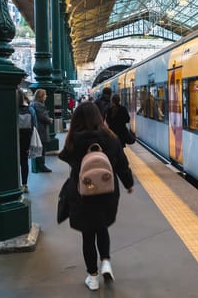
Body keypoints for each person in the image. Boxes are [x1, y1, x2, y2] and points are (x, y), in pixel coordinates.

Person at [58, 101, 134, 291]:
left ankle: (92, 277)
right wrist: (129, 184)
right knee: (102, 227)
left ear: (76, 119)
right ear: (99, 117)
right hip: (107, 193)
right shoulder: (111, 138)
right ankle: (106, 261)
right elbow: (122, 165)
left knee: (88, 235)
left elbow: (64, 156)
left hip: (82, 193)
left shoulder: (73, 140)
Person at [31, 89, 54, 172]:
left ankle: (39, 165)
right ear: (40, 96)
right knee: (42, 148)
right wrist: (49, 120)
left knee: (39, 147)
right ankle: (42, 165)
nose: (46, 96)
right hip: (41, 129)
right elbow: (42, 117)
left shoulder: (33, 104)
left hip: (36, 128)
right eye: (45, 95)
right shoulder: (39, 105)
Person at [17, 90, 36, 193]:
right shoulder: (30, 110)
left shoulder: (10, 109)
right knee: (24, 161)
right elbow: (35, 125)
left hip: (14, 139)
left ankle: (14, 184)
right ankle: (24, 184)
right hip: (26, 138)